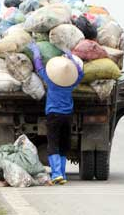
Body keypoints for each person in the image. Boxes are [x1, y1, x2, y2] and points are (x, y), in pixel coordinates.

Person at [28, 42, 84, 185]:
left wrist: (36, 52)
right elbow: (80, 72)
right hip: (67, 116)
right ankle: (62, 174)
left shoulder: (51, 80)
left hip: (53, 115)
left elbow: (39, 67)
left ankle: (56, 174)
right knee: (64, 144)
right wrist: (71, 57)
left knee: (52, 143)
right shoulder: (71, 82)